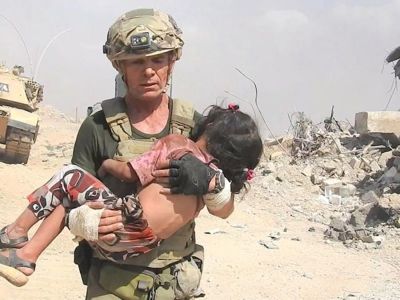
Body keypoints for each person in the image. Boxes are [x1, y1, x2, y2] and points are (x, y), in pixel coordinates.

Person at [0, 105, 263, 293]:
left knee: (69, 176)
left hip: (121, 228)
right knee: (70, 201)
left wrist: (107, 164)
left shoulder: (179, 144)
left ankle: (15, 233)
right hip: (136, 248)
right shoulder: (210, 182)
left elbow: (129, 172)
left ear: (211, 126)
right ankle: (26, 256)